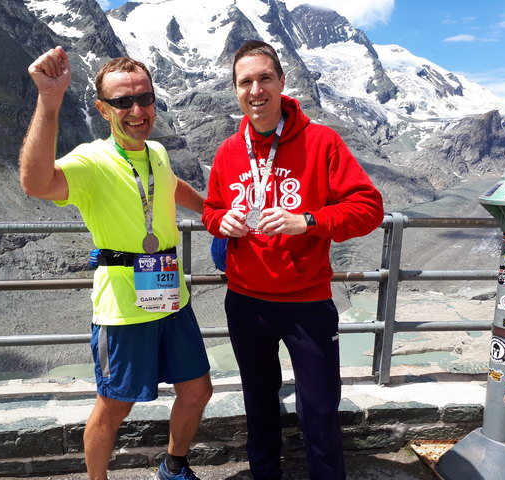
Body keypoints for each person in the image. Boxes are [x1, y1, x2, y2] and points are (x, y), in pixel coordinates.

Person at [19, 46, 212, 480]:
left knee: (198, 390)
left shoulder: (157, 152)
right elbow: (35, 183)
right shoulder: (92, 160)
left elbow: (169, 183)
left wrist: (210, 211)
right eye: (123, 102)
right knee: (115, 405)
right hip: (122, 310)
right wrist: (49, 101)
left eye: (144, 98)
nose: (137, 110)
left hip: (171, 299)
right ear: (103, 108)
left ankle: (173, 464)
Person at [202, 40, 384, 480]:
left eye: (265, 78)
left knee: (320, 411)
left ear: (282, 82)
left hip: (307, 304)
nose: (256, 89)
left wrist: (308, 220)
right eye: (246, 82)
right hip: (246, 304)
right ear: (236, 91)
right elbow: (211, 209)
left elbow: (369, 208)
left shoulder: (322, 141)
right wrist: (219, 221)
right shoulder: (229, 151)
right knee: (259, 406)